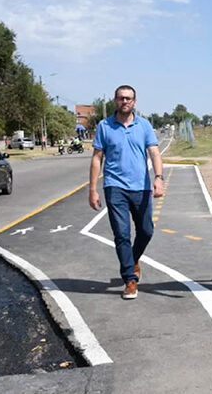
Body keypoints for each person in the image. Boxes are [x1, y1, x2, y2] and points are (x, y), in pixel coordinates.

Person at [89, 85, 164, 300]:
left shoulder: (145, 125)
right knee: (121, 234)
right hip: (115, 186)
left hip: (141, 186)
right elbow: (97, 158)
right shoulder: (105, 126)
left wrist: (158, 178)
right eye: (121, 98)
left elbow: (155, 153)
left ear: (134, 102)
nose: (125, 102)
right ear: (115, 101)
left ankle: (132, 260)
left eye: (129, 98)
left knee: (146, 230)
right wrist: (93, 189)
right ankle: (130, 280)